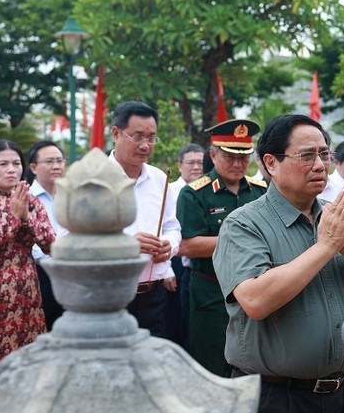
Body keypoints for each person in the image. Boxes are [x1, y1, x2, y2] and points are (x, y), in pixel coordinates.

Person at [213, 114, 344, 413]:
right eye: (307, 155)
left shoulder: (339, 218)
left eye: (324, 154)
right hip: (274, 404)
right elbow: (255, 300)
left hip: (339, 395)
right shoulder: (244, 224)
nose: (320, 165)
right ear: (271, 163)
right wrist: (325, 247)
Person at [176, 119, 267, 377]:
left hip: (256, 288)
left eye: (243, 157)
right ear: (213, 155)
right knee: (211, 361)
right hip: (211, 291)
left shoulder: (261, 191)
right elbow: (189, 246)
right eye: (230, 157)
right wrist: (240, 239)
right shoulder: (194, 194)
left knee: (253, 361)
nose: (238, 164)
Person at [108, 101, 181, 338]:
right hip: (108, 294)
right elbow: (69, 239)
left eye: (151, 138)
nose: (145, 145)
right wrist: (126, 244)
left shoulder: (159, 179)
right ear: (116, 133)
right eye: (137, 136)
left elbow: (172, 227)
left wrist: (169, 246)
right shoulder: (92, 180)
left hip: (153, 294)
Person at [0, 140, 55, 374]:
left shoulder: (32, 202)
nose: (11, 169)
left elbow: (51, 245)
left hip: (27, 292)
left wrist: (27, 219)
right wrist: (12, 220)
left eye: (16, 163)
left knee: (28, 362)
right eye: (3, 164)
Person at [26, 140, 69, 331]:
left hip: (71, 272)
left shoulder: (70, 195)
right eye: (50, 161)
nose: (56, 166)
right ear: (33, 168)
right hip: (40, 274)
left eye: (60, 161)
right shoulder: (26, 198)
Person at [167, 143, 206, 348]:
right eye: (191, 163)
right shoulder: (170, 191)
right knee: (177, 318)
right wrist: (166, 269)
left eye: (200, 162)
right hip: (174, 260)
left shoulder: (208, 191)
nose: (196, 167)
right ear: (179, 165)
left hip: (201, 263)